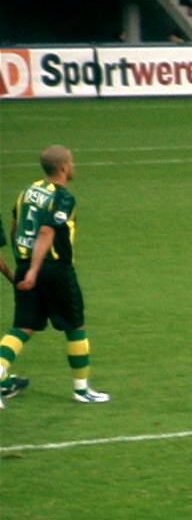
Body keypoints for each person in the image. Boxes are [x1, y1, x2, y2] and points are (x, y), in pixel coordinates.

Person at [0, 145, 108, 405]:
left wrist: (23, 267)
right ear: (63, 166)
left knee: (22, 327)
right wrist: (36, 270)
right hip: (53, 269)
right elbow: (47, 232)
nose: (72, 167)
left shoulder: (26, 192)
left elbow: (16, 228)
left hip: (25, 264)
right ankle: (82, 390)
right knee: (74, 326)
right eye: (71, 162)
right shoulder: (62, 197)